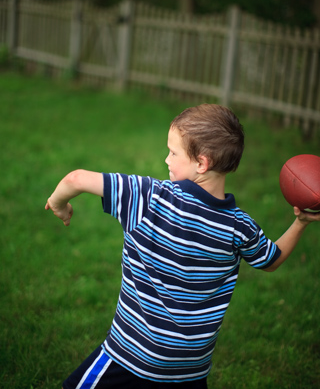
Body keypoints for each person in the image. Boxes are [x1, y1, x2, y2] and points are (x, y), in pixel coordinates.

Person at [45, 104, 320, 389]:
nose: (166, 159)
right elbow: (272, 260)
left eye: (173, 153)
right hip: (190, 368)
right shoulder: (239, 226)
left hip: (133, 354)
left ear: (201, 163)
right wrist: (300, 223)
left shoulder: (148, 197)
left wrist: (59, 204)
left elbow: (75, 179)